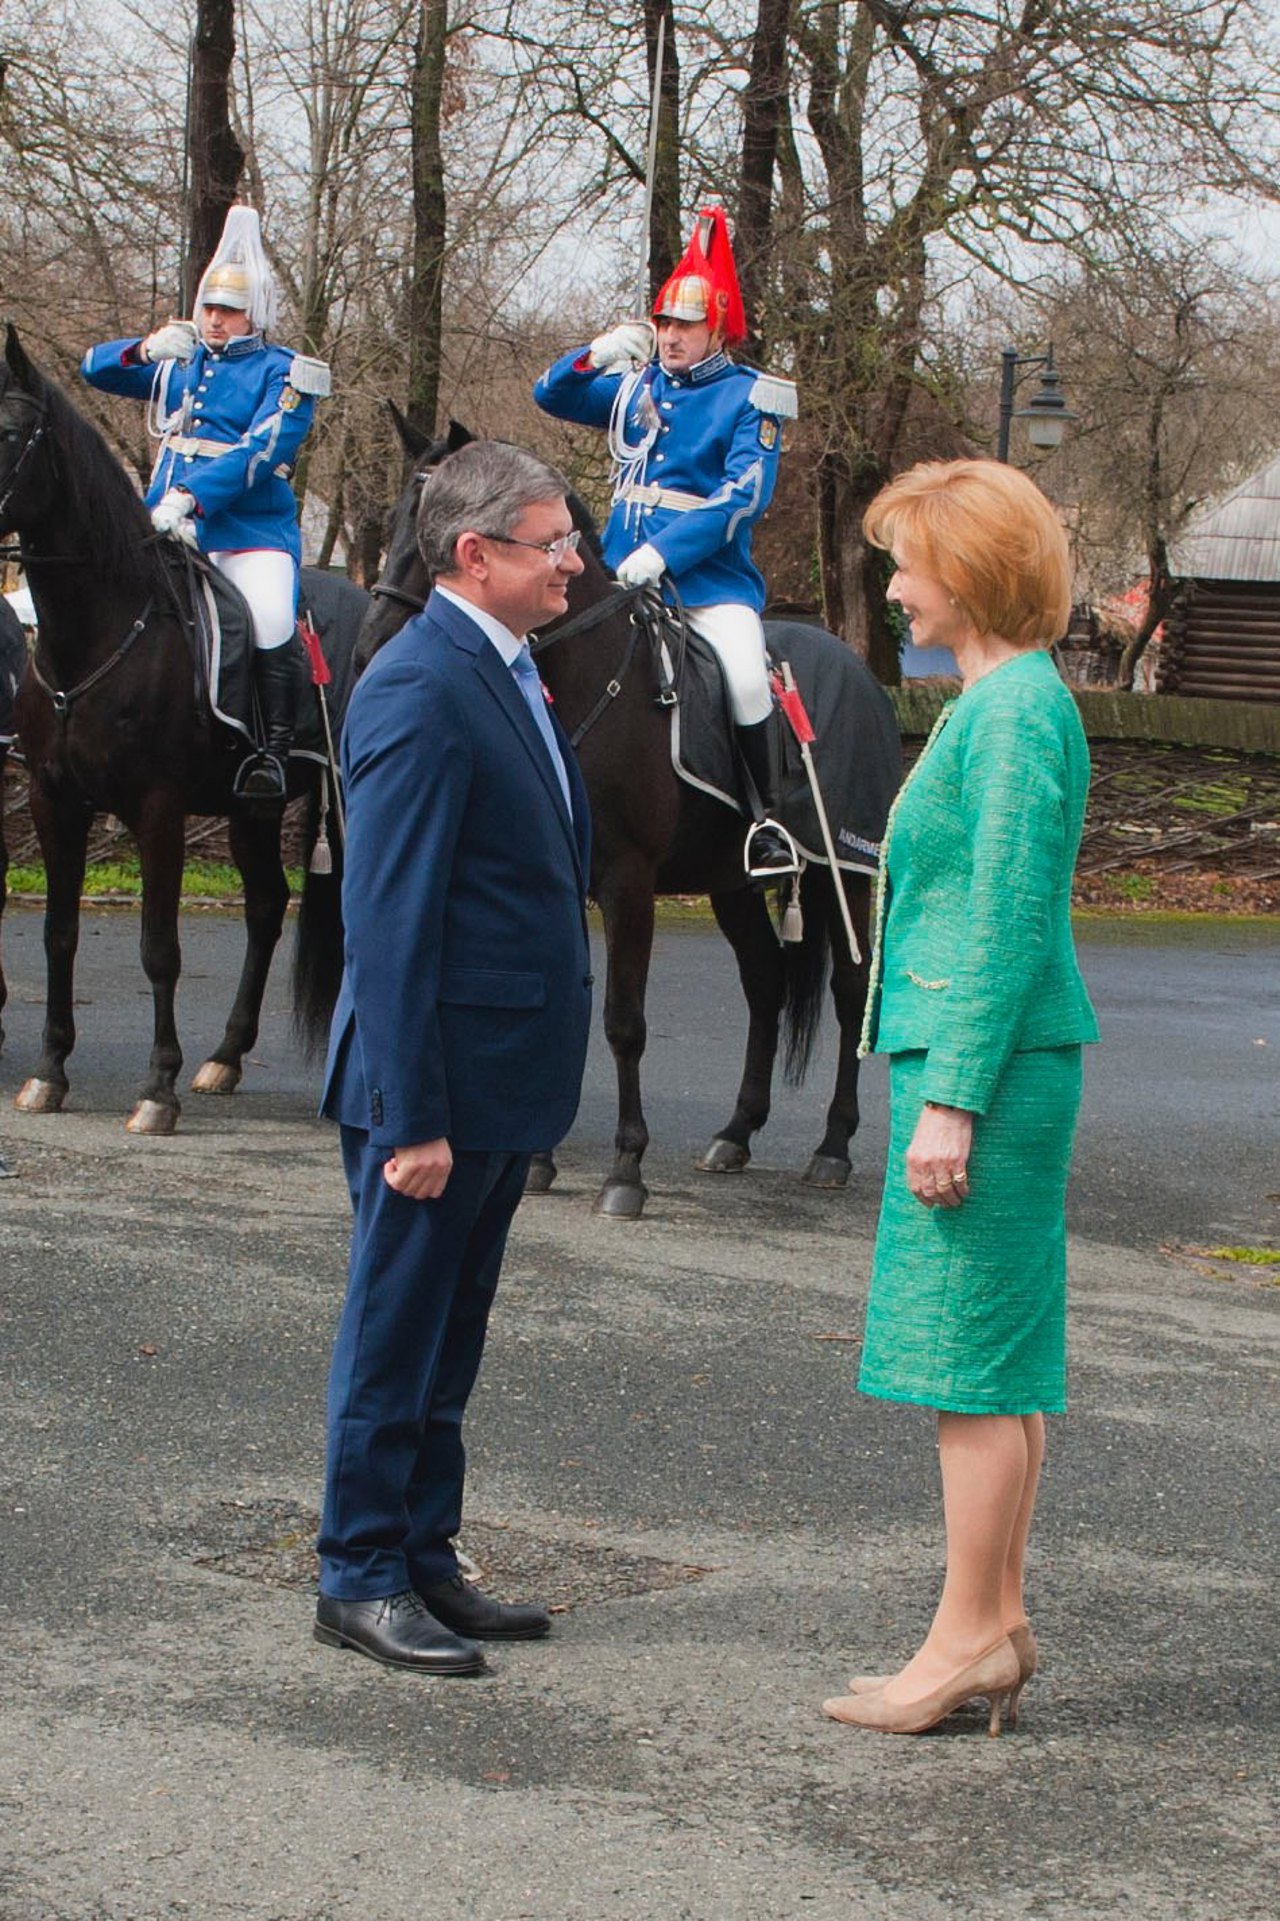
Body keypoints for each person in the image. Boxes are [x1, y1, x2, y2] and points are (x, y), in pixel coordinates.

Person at [821, 459, 1099, 1738]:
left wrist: (953, 1104)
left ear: (969, 572)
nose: (891, 588)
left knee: (968, 1370)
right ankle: (990, 1625)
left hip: (979, 1070)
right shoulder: (1001, 701)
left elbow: (1006, 917)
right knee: (994, 1362)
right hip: (978, 1064)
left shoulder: (1015, 712)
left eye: (906, 563)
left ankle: (961, 1639)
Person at [314, 440, 594, 1676]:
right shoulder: (419, 683)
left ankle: (425, 1554)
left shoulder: (508, 667)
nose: (574, 562)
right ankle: (359, 1571)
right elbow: (385, 916)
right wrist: (411, 1113)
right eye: (553, 544)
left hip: (495, 1083)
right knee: (395, 1334)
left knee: (448, 1337)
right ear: (473, 555)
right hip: (428, 1094)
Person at [533, 205, 799, 876]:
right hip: (618, 575)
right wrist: (595, 354)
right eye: (663, 323)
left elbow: (742, 496)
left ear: (717, 329)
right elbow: (550, 395)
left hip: (706, 583)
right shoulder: (636, 388)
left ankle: (764, 823)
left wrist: (665, 552)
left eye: (684, 324)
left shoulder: (750, 398)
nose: (670, 335)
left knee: (744, 678)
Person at [81, 205, 329, 802]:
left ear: (254, 315)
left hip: (246, 531)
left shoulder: (285, 372)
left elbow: (261, 450)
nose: (215, 320)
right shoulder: (180, 361)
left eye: (228, 311)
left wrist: (190, 499)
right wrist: (144, 350)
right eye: (209, 308)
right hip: (160, 526)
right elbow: (93, 369)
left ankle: (269, 754)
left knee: (269, 619)